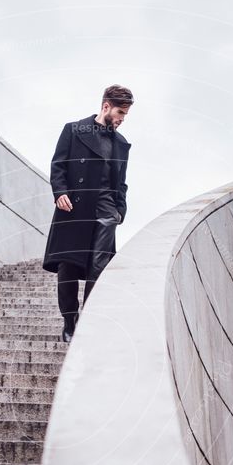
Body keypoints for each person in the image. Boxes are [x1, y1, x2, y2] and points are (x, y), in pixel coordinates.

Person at [42, 85, 134, 342]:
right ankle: (70, 320)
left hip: (106, 210)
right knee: (68, 266)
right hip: (74, 206)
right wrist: (59, 192)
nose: (121, 119)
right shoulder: (74, 130)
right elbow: (58, 164)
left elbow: (122, 182)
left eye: (125, 115)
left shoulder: (121, 144)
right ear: (106, 106)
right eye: (119, 112)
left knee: (99, 267)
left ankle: (90, 319)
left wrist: (120, 210)